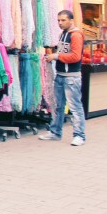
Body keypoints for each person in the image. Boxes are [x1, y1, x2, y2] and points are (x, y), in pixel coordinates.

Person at [40, 10, 86, 146]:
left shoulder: (76, 35)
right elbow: (64, 52)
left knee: (75, 107)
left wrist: (56, 56)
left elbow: (75, 56)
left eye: (63, 20)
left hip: (71, 77)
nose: (60, 23)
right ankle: (55, 132)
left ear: (71, 20)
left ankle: (79, 135)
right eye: (58, 20)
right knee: (58, 106)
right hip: (60, 75)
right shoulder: (63, 34)